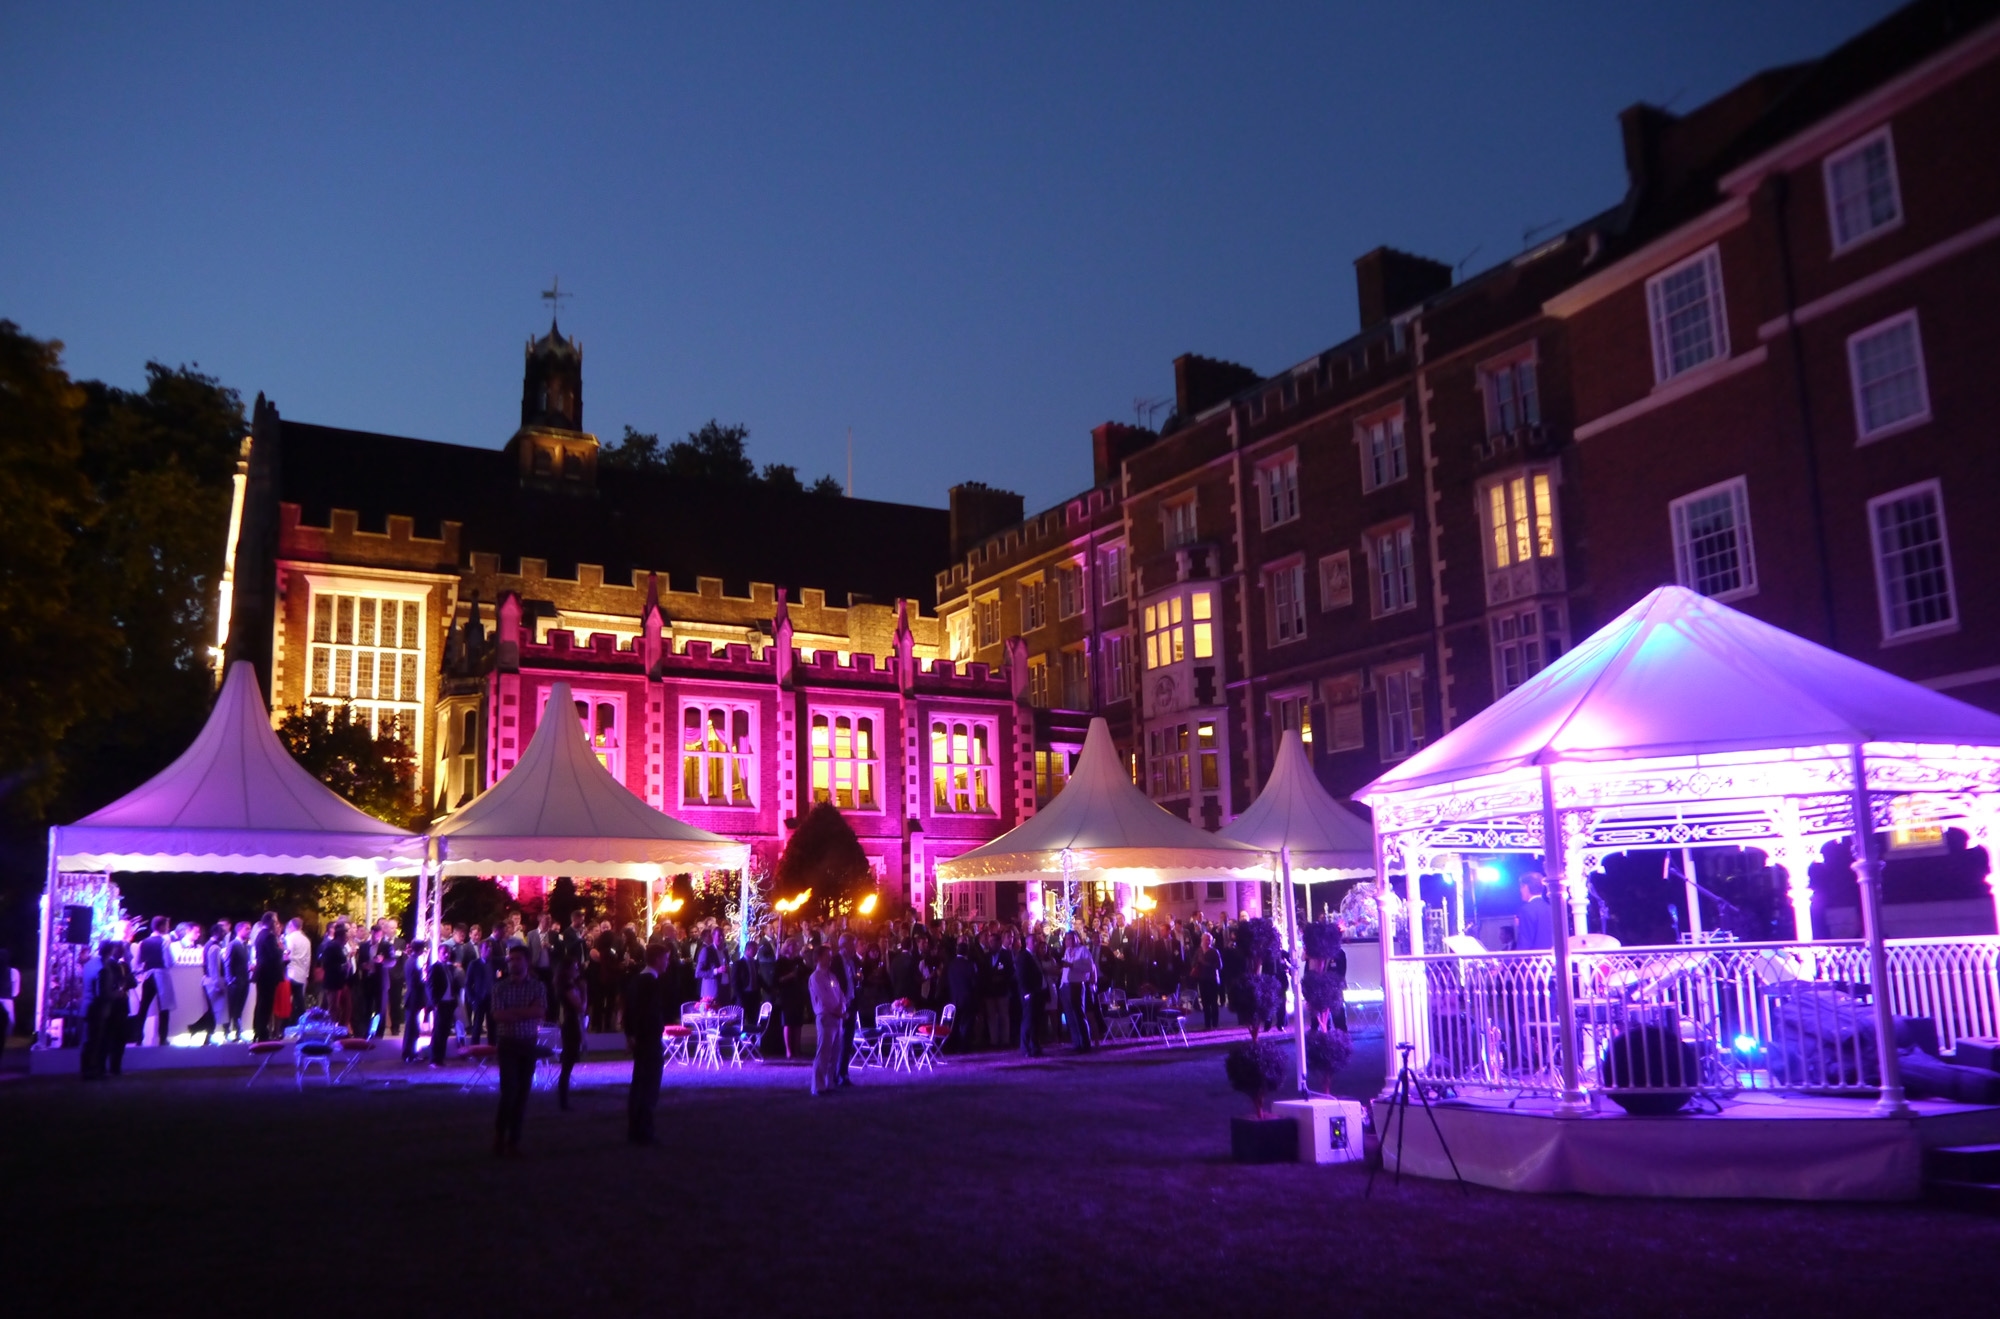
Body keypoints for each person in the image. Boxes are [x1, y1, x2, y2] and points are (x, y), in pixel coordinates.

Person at [489, 944, 547, 1156]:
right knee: (509, 1092)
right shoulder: (499, 987)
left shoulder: (537, 987)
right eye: (511, 959)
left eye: (517, 959)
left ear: (527, 962)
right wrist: (526, 1012)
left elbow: (540, 1011)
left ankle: (514, 1140)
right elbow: (497, 1016)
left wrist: (512, 1012)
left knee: (522, 1093)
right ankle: (499, 1135)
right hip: (508, 1043)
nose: (513, 963)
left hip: (528, 1043)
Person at [623, 943, 667, 1142]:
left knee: (639, 1084)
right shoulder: (651, 982)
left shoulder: (637, 980)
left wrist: (630, 1034)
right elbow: (648, 1013)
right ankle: (645, 1130)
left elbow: (629, 1011)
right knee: (649, 1085)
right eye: (665, 958)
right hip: (649, 1039)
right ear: (657, 959)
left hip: (640, 1039)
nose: (667, 962)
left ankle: (635, 1129)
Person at [807, 948, 848, 1097]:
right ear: (818, 958)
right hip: (826, 1016)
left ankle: (829, 1082)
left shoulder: (831, 976)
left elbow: (841, 995)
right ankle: (818, 1085)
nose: (830, 960)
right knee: (824, 1052)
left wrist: (843, 1008)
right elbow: (825, 998)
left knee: (834, 1052)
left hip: (837, 1018)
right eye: (827, 957)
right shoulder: (815, 977)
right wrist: (838, 1010)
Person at [134, 915, 174, 1044]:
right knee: (164, 1007)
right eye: (167, 925)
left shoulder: (143, 942)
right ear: (161, 926)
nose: (168, 928)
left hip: (148, 976)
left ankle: (139, 1037)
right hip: (161, 975)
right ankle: (163, 1038)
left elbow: (138, 962)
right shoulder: (164, 941)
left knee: (144, 1006)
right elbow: (169, 961)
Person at [555, 956, 585, 1111]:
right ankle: (563, 1098)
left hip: (569, 1023)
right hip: (570, 1024)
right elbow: (580, 1006)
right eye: (574, 967)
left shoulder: (565, 986)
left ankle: (563, 1097)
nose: (577, 970)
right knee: (568, 1063)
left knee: (568, 1062)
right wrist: (584, 993)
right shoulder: (567, 987)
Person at [1060, 930, 1097, 1053]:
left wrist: (1072, 965)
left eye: (1071, 938)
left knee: (1079, 1014)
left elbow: (1089, 967)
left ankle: (1085, 1043)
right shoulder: (1066, 951)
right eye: (1067, 939)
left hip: (1077, 985)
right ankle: (1076, 1043)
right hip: (1065, 985)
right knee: (1070, 1016)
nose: (1068, 941)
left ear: (1077, 939)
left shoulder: (1083, 951)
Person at [251, 913, 284, 1040]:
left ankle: (259, 1030)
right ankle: (262, 1032)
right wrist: (281, 949)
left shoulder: (260, 934)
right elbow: (274, 954)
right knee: (266, 1003)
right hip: (268, 974)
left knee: (261, 1002)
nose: (276, 924)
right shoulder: (269, 936)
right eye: (275, 921)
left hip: (262, 973)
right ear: (270, 921)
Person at [1015, 933, 1047, 1057]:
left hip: (1038, 993)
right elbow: (1021, 976)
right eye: (1033, 941)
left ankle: (1035, 1047)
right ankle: (1025, 1047)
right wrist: (1026, 993)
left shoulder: (1034, 956)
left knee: (1036, 1022)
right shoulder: (1024, 957)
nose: (1036, 944)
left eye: (1036, 941)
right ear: (1027, 943)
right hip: (1030, 994)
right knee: (1028, 1021)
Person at [400, 940, 432, 1062]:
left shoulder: (410, 960)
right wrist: (425, 982)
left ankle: (410, 1053)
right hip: (414, 997)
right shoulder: (415, 962)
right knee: (412, 1028)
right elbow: (416, 982)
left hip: (412, 997)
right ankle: (408, 1054)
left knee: (412, 1027)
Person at [426, 952, 459, 1065]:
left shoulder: (449, 967)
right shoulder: (435, 967)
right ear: (439, 954)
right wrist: (434, 1002)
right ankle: (434, 1059)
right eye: (443, 953)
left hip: (449, 1002)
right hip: (440, 1003)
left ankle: (440, 1058)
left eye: (447, 953)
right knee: (438, 1032)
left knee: (445, 1031)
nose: (446, 955)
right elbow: (430, 985)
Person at [464, 939, 497, 1046]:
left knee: (492, 1025)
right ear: (481, 949)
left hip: (492, 999)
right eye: (487, 947)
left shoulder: (494, 964)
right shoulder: (474, 964)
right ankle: (475, 1049)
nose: (489, 949)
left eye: (491, 947)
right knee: (477, 1025)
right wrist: (472, 999)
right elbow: (468, 984)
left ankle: (491, 1049)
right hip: (479, 999)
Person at [282, 918, 311, 1027]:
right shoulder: (306, 940)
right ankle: (301, 1023)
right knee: (299, 1000)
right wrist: (306, 974)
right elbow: (308, 958)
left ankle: (287, 1024)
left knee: (287, 1000)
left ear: (291, 926)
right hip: (302, 973)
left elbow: (287, 955)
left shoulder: (290, 938)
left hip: (291, 972)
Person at [1194, 932, 1224, 1030]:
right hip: (1202, 980)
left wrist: (1205, 963)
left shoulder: (1214, 951)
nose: (1207, 941)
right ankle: (1207, 1025)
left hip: (1212, 980)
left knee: (1213, 1003)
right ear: (1202, 940)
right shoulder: (1198, 951)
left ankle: (1215, 1024)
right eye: (1205, 939)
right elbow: (1193, 962)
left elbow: (1219, 966)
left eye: (1208, 940)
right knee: (1205, 1003)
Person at [1517, 873, 1554, 951]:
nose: (1520, 890)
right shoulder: (1551, 909)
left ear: (1525, 887)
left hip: (1534, 961)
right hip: (1552, 959)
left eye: (1521, 887)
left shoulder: (1526, 910)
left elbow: (1525, 943)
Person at [694, 927, 727, 1002]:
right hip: (712, 994)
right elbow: (698, 973)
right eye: (719, 936)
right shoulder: (707, 951)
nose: (721, 938)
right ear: (713, 937)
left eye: (723, 935)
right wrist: (716, 971)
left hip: (725, 992)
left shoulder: (725, 951)